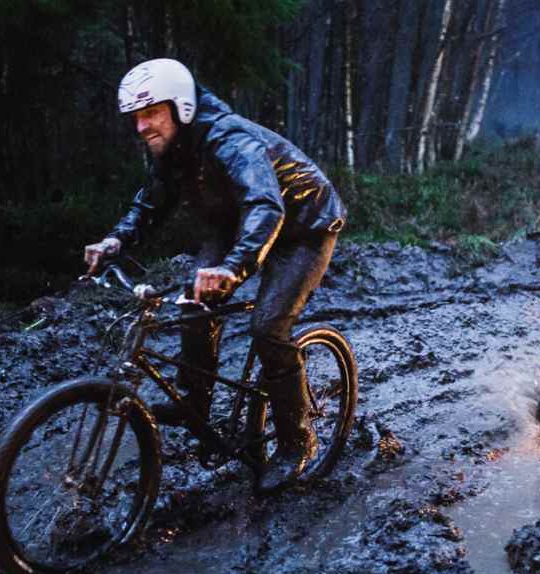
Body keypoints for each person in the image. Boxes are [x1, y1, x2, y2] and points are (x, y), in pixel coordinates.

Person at [83, 58, 346, 492]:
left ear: (181, 107)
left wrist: (230, 268)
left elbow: (266, 206)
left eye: (150, 114)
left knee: (268, 328)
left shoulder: (229, 138)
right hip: (238, 224)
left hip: (304, 227)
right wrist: (115, 241)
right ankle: (196, 403)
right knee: (193, 302)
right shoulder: (174, 148)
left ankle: (298, 442)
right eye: (136, 118)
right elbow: (150, 204)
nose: (141, 127)